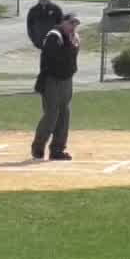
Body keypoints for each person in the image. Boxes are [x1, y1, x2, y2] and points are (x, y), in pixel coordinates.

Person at [31, 15, 81, 160]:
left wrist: (74, 46)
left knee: (64, 114)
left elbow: (71, 61)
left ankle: (57, 149)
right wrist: (71, 46)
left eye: (75, 25)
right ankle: (38, 147)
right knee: (52, 114)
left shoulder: (72, 37)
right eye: (71, 23)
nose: (73, 27)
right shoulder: (54, 36)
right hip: (51, 80)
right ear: (63, 23)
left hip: (66, 80)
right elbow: (54, 58)